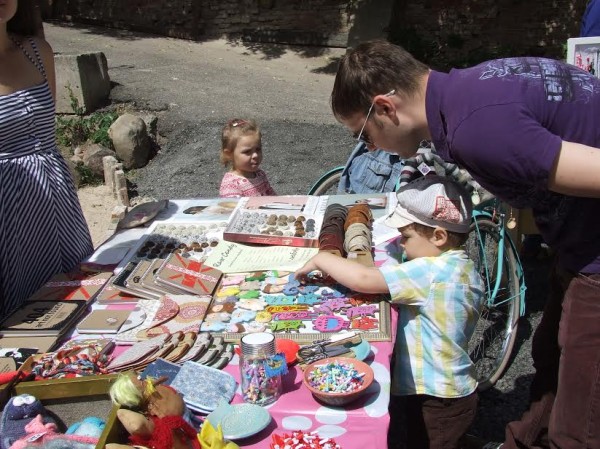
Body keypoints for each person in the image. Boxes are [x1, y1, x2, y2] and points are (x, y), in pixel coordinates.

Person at [330, 39, 600, 449]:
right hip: (579, 241)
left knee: (580, 418)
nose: (369, 147)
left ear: (385, 108)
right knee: (552, 362)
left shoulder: (476, 129)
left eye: (364, 134)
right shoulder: (468, 88)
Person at [295, 175, 484, 449]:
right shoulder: (458, 264)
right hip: (447, 390)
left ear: (439, 236)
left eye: (406, 237)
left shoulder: (429, 271)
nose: (401, 244)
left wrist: (323, 258)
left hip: (435, 398)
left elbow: (363, 279)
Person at [0, 0, 93, 318]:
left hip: (56, 200)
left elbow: (45, 135)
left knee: (76, 301)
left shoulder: (38, 51)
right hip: (6, 213)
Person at [218, 118, 276, 198]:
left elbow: (272, 197)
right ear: (229, 154)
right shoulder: (231, 185)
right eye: (247, 152)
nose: (255, 155)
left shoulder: (260, 174)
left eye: (258, 149)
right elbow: (234, 209)